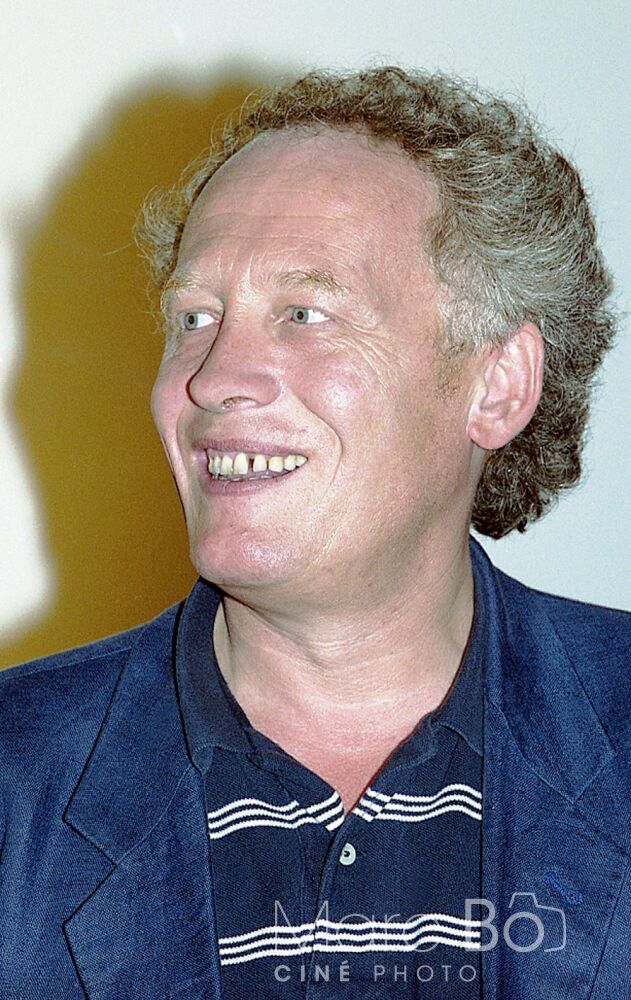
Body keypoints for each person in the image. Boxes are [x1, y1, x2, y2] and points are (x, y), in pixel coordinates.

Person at [0, 66, 629, 1000]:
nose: (213, 378)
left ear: (497, 385)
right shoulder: (16, 783)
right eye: (194, 318)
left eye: (304, 313)